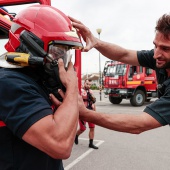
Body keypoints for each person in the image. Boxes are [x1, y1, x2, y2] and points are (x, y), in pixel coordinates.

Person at [0, 5, 83, 170]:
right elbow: (61, 145)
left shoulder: (38, 79)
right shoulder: (9, 83)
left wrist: (68, 105)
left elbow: (74, 128)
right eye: (58, 51)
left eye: (66, 52)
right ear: (31, 44)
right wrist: (72, 87)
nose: (64, 61)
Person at [69, 14, 170, 134]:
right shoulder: (159, 58)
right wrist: (95, 42)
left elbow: (139, 124)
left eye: (165, 49)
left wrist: (85, 113)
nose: (155, 55)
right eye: (155, 46)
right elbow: (124, 55)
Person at [75, 79, 98, 149]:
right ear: (84, 83)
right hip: (83, 113)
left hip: (91, 112)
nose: (88, 85)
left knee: (92, 128)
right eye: (87, 84)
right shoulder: (80, 91)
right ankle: (76, 135)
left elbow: (93, 103)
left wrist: (95, 112)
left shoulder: (91, 92)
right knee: (82, 129)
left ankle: (91, 143)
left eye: (90, 84)